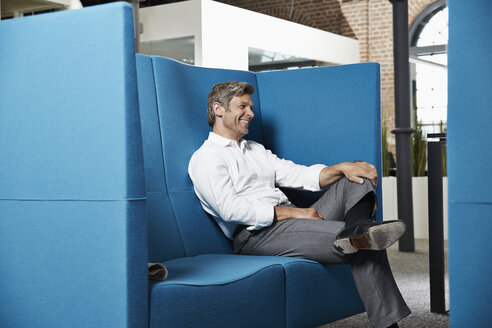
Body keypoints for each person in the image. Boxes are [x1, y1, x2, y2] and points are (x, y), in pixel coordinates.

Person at [188, 81, 411, 328]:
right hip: (257, 235)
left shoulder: (255, 149)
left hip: (292, 224)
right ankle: (359, 235)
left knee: (355, 175)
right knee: (364, 243)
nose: (251, 113)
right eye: (243, 106)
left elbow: (297, 174)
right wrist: (294, 213)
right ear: (218, 109)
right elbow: (230, 209)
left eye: (251, 107)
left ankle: (358, 227)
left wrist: (339, 168)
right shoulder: (207, 157)